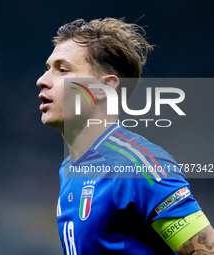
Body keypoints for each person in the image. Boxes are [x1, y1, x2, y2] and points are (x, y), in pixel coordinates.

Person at [36, 18, 214, 255]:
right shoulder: (70, 167)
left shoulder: (138, 165)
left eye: (62, 70)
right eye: (48, 68)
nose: (42, 80)